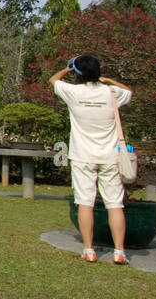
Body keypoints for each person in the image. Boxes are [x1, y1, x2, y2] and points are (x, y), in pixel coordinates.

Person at [49, 54, 134, 265]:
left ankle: (88, 249)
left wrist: (69, 68)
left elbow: (53, 80)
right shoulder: (112, 93)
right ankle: (119, 252)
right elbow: (129, 91)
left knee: (85, 202)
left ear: (78, 73)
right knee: (115, 204)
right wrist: (109, 81)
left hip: (82, 156)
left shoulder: (73, 92)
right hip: (110, 157)